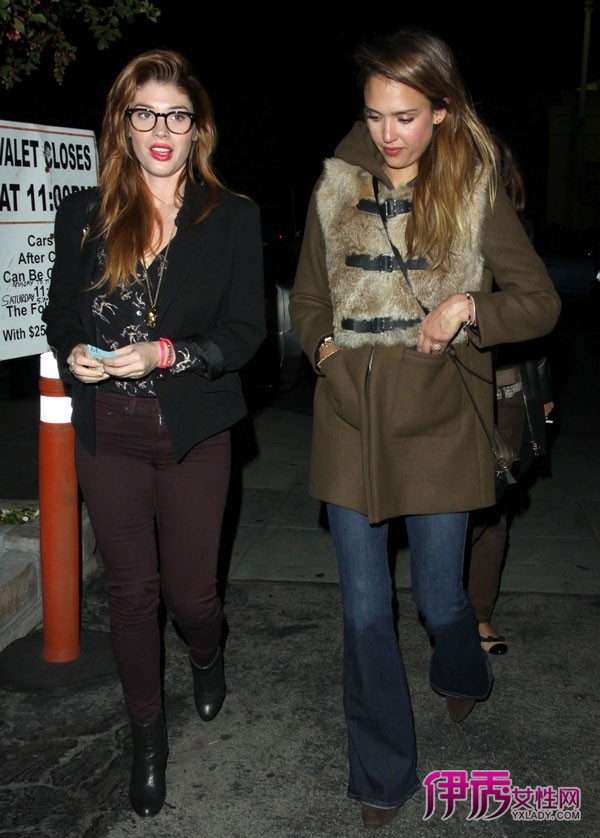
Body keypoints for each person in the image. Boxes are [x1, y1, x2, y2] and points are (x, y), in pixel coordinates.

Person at [288, 27, 561, 830]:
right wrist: (326, 352)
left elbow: (540, 302)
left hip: (441, 423)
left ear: (441, 110)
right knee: (365, 612)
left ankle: (464, 670)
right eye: (375, 114)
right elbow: (308, 300)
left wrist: (470, 306)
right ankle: (382, 774)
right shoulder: (335, 186)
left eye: (405, 116)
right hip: (351, 419)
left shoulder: (473, 187)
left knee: (441, 599)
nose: (387, 133)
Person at [42, 50, 265, 818]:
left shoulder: (230, 216)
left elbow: (245, 334)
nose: (161, 129)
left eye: (176, 115)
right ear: (123, 123)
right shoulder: (85, 213)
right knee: (132, 595)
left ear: (197, 127)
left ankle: (207, 649)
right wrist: (73, 350)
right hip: (109, 430)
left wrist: (168, 353)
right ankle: (147, 740)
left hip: (194, 430)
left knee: (191, 595)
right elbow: (61, 309)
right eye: (145, 113)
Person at [467, 139, 555, 655]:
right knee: (447, 512)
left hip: (507, 391)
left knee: (494, 510)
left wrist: (541, 393)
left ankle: (479, 615)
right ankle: (447, 611)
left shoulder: (517, 231)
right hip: (452, 390)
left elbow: (539, 321)